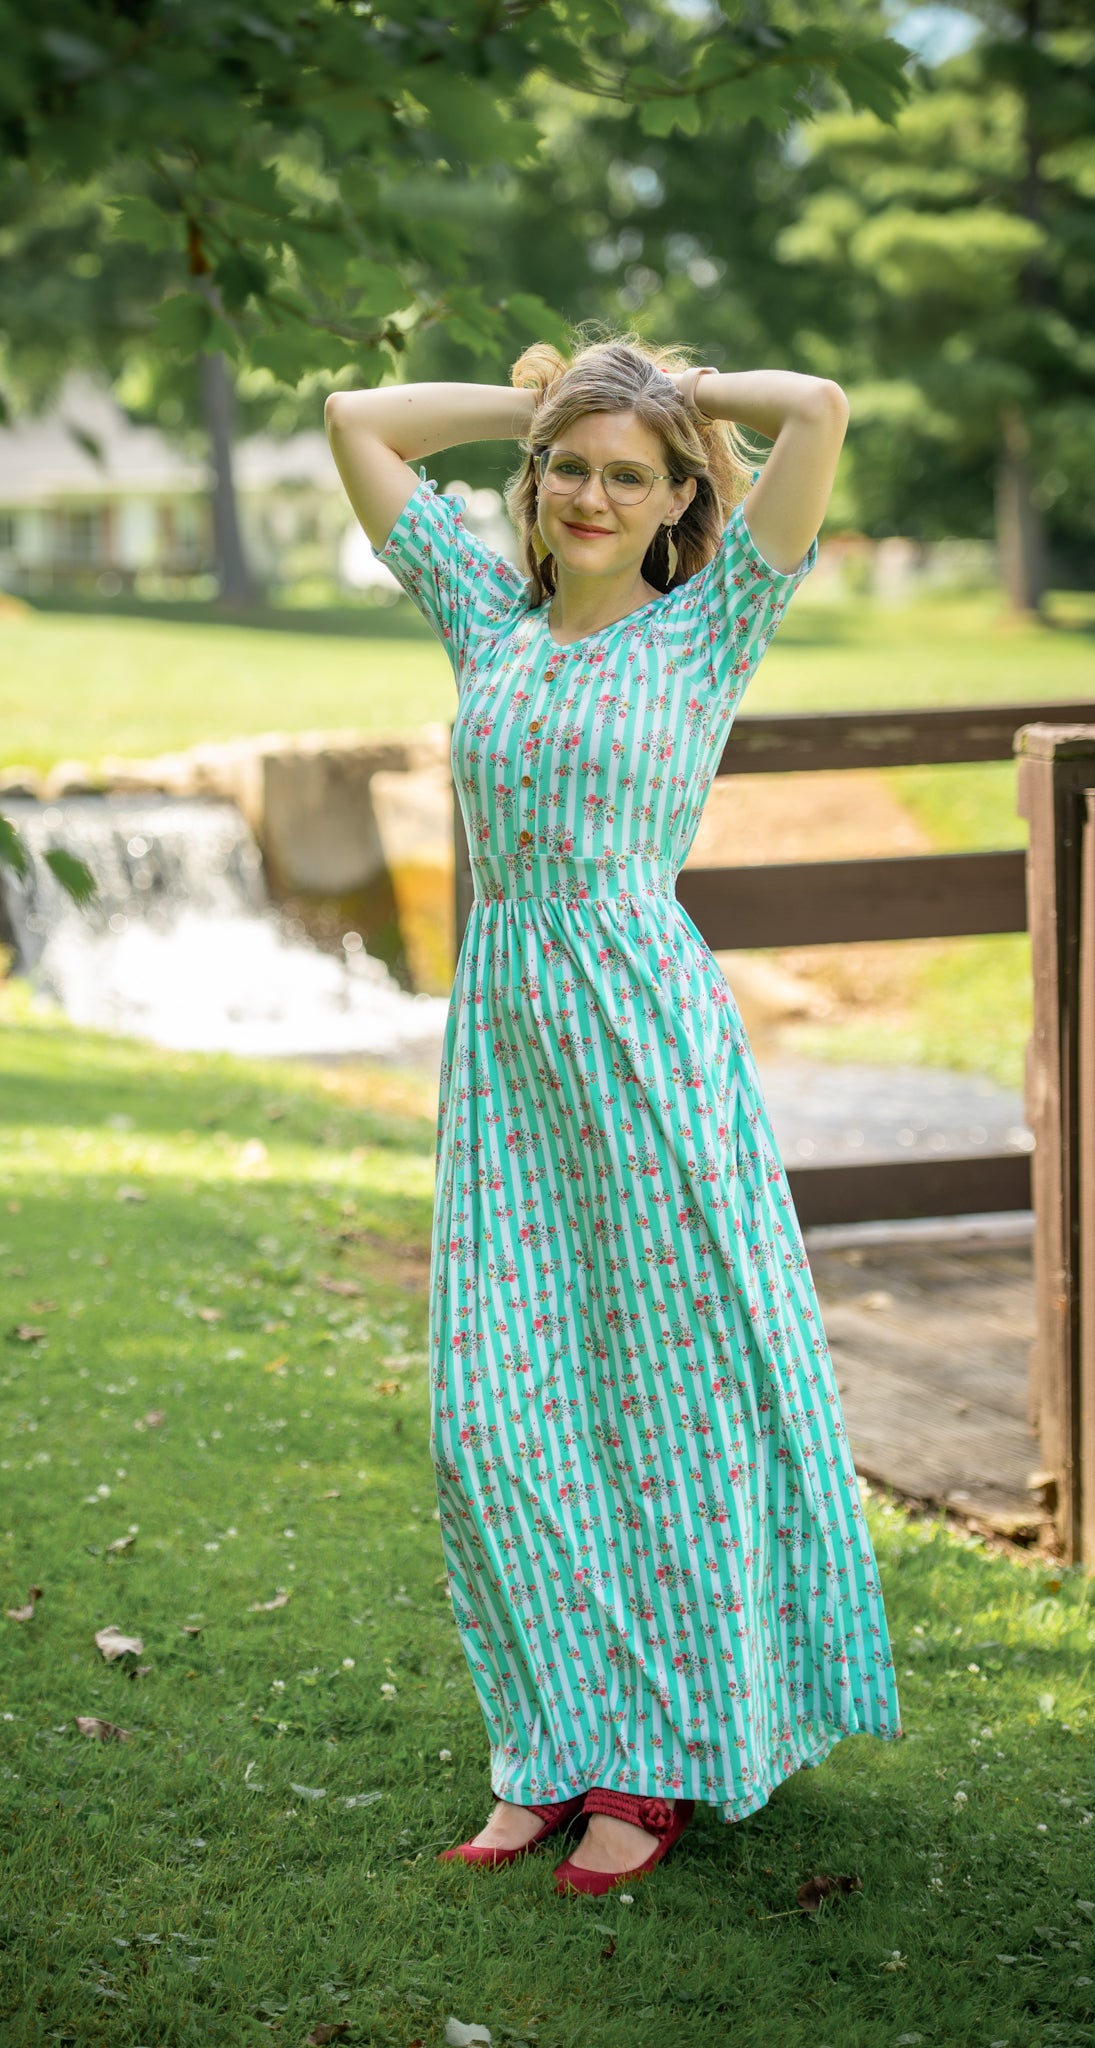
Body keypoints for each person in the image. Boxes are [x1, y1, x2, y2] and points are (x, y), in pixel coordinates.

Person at [324, 331, 904, 1900]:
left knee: (663, 1403)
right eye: (568, 470)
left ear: (674, 501)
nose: (591, 496)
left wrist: (677, 396)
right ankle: (548, 1743)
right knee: (495, 1415)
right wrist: (546, 399)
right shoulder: (488, 621)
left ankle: (652, 1761)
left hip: (645, 1045)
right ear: (535, 482)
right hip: (508, 1058)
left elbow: (821, 409)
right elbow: (356, 421)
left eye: (627, 478)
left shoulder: (711, 626)